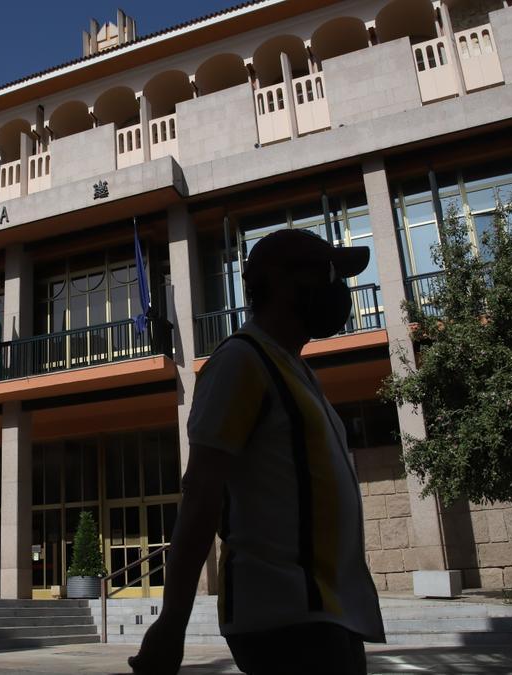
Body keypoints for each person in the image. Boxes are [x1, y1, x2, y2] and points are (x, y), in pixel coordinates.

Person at [129, 229, 385, 674]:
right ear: (283, 282)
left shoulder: (297, 371)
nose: (338, 290)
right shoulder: (242, 361)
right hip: (287, 617)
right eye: (328, 274)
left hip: (327, 613)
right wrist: (172, 624)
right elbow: (202, 494)